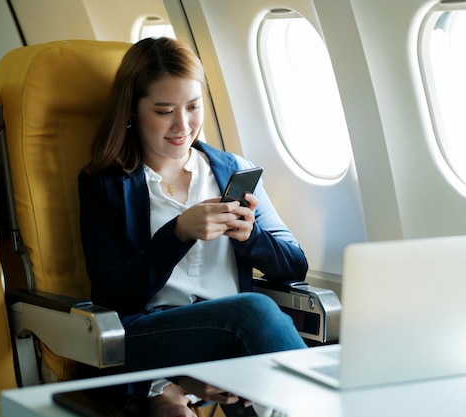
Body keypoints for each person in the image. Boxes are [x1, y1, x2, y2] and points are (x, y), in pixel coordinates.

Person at [78, 37, 307, 374]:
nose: (182, 125)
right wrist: (178, 234)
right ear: (131, 111)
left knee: (252, 320)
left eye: (193, 107)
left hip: (231, 329)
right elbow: (111, 295)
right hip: (150, 333)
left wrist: (251, 237)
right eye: (164, 111)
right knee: (254, 312)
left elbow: (295, 265)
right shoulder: (104, 184)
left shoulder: (234, 170)